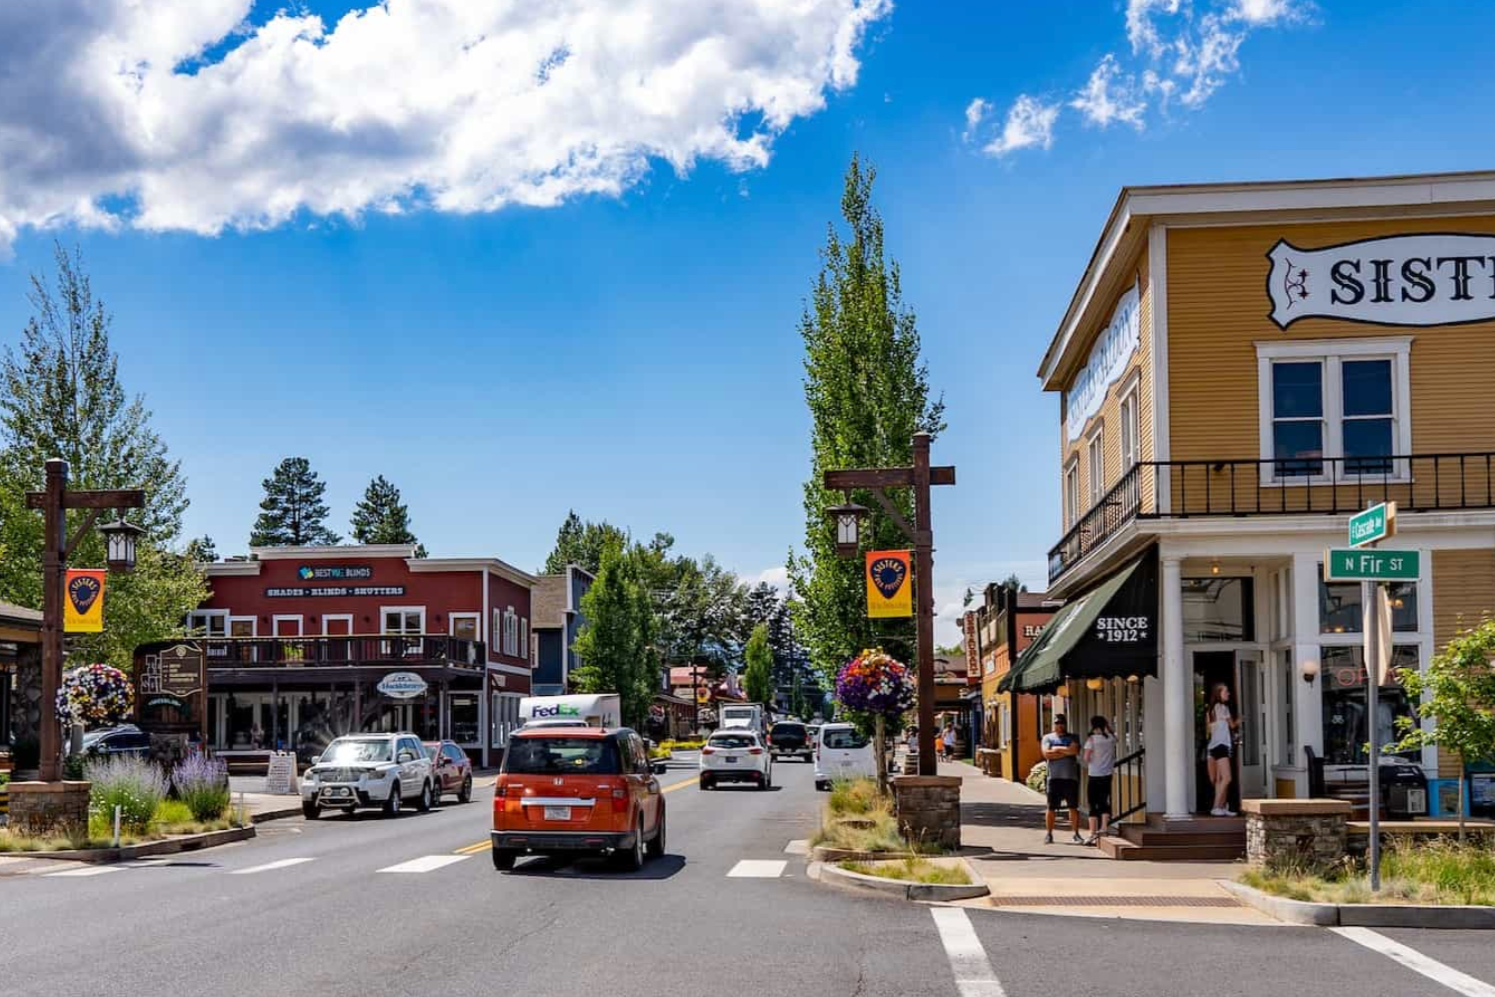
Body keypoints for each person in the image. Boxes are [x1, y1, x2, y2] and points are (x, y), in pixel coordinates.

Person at [1040, 714, 1083, 845]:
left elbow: (1074, 751)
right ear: (1054, 724)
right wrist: (1066, 752)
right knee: (1051, 807)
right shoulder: (1048, 737)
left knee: (1073, 807)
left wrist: (1057, 749)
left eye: (1062, 723)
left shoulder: (1073, 737)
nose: (1059, 725)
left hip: (1070, 777)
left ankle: (1076, 833)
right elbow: (1046, 754)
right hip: (1054, 778)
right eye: (1057, 723)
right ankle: (1049, 834)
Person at [1082, 715, 1117, 845]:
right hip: (1107, 774)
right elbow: (1115, 736)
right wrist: (1108, 728)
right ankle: (1104, 828)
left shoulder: (1091, 740)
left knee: (1093, 803)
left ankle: (1092, 833)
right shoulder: (1111, 738)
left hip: (1094, 774)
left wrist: (1093, 759)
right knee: (1104, 801)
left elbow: (1086, 758)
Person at [1205, 684, 1239, 816]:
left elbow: (1209, 730)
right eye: (1226, 691)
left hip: (1213, 746)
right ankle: (1216, 806)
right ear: (1219, 693)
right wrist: (1241, 720)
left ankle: (1222, 807)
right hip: (1222, 745)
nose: (1228, 693)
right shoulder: (1223, 708)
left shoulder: (1210, 711)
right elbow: (1232, 725)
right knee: (1227, 778)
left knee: (1219, 780)